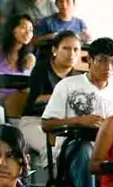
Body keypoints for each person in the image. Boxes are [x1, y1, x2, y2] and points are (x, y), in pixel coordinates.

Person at [42, 37, 113, 187]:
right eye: (102, 60)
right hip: (71, 156)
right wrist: (80, 121)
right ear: (89, 60)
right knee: (85, 148)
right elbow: (47, 124)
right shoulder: (68, 85)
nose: (108, 67)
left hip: (106, 154)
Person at [19, 30, 81, 170]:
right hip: (34, 122)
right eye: (66, 48)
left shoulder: (78, 77)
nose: (71, 54)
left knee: (78, 148)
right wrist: (62, 97)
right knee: (54, 148)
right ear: (55, 50)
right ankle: (53, 186)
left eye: (76, 50)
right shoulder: (41, 69)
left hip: (63, 126)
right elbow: (37, 99)